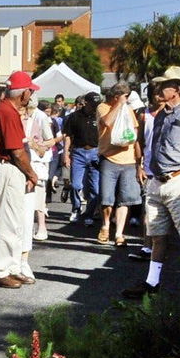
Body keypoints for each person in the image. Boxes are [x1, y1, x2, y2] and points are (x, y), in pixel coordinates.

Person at [124, 73, 180, 298]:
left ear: (176, 89)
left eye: (163, 86)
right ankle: (152, 282)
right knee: (157, 235)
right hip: (157, 181)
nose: (157, 89)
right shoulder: (161, 114)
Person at [0, 72, 41, 288]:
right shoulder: (8, 112)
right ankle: (0, 271)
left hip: (6, 168)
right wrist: (32, 173)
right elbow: (17, 151)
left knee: (13, 223)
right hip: (6, 168)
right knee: (6, 223)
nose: (31, 94)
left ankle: (11, 267)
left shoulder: (5, 109)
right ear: (24, 92)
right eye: (30, 90)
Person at [97, 82, 142, 246]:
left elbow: (135, 134)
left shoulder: (129, 110)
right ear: (116, 97)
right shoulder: (103, 107)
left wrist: (139, 161)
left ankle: (119, 233)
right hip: (109, 158)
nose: (127, 100)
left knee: (125, 199)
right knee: (106, 198)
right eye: (124, 97)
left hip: (128, 160)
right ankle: (106, 225)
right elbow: (107, 122)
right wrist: (119, 105)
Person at [26, 89, 61, 241]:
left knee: (39, 195)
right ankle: (28, 227)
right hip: (26, 159)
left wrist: (35, 144)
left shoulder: (40, 117)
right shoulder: (22, 115)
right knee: (26, 194)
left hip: (39, 160)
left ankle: (41, 227)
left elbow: (51, 140)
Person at [62, 93, 100, 223]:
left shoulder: (100, 116)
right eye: (93, 104)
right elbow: (68, 136)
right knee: (75, 185)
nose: (95, 107)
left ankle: (89, 214)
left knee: (95, 188)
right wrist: (66, 153)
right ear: (86, 103)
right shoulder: (74, 117)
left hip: (96, 153)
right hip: (78, 152)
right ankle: (76, 208)